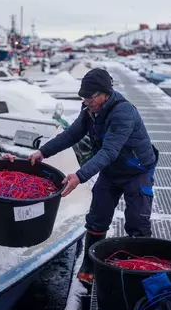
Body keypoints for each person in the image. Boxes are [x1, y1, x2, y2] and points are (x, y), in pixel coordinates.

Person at [28, 68, 158, 284]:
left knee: (137, 222)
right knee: (97, 217)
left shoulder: (123, 112)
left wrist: (80, 175)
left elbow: (109, 151)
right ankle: (90, 264)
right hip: (111, 170)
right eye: (84, 97)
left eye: (90, 97)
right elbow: (72, 134)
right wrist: (44, 151)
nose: (86, 101)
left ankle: (139, 274)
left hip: (137, 171)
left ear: (104, 94)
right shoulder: (90, 109)